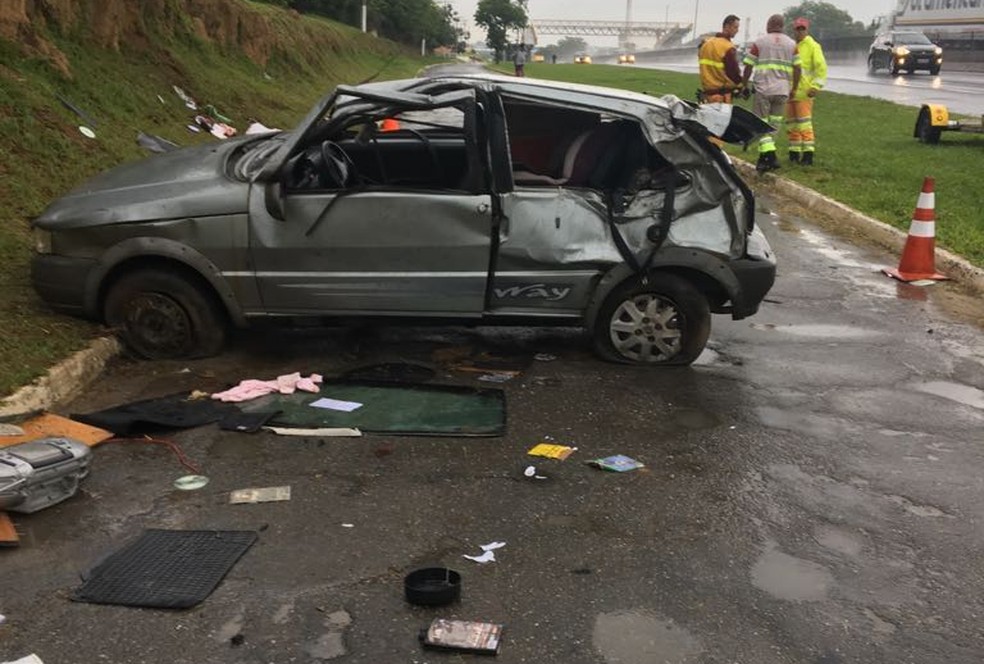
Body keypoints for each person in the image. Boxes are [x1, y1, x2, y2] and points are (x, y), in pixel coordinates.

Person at [742, 14, 801, 173]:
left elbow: (748, 65)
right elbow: (798, 68)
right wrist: (794, 87)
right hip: (782, 91)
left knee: (760, 124)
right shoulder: (792, 44)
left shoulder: (760, 42)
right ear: (782, 26)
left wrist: (744, 84)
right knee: (774, 125)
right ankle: (764, 160)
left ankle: (771, 155)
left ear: (769, 25)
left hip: (763, 90)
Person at [787, 17, 827, 165]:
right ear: (794, 30)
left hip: (804, 92)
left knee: (804, 124)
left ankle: (808, 154)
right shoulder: (791, 45)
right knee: (792, 125)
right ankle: (794, 152)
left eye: (802, 29)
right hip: (790, 92)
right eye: (798, 29)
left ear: (807, 29)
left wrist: (815, 87)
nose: (800, 31)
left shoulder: (812, 46)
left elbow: (821, 69)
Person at [697, 15, 743, 104]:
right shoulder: (728, 47)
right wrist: (741, 85)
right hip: (722, 95)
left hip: (707, 94)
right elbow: (733, 72)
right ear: (726, 26)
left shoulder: (706, 44)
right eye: (735, 27)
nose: (737, 30)